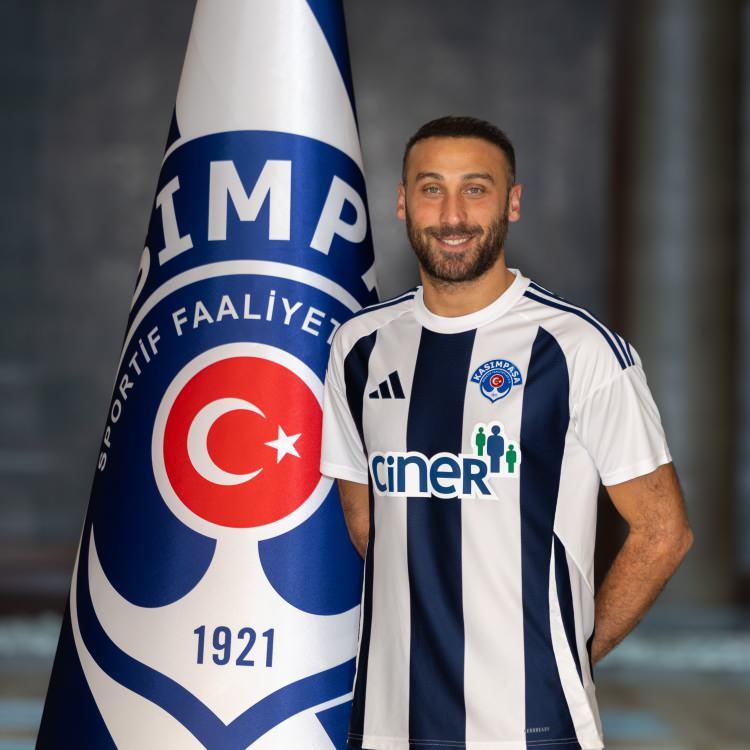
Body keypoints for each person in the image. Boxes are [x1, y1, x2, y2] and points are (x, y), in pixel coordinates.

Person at [320, 116, 693, 750]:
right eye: (432, 189)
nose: (453, 215)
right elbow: (368, 525)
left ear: (512, 203)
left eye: (476, 189)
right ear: (403, 202)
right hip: (389, 719)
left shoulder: (577, 348)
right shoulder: (358, 347)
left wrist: (571, 656)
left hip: (531, 723)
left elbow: (664, 533)